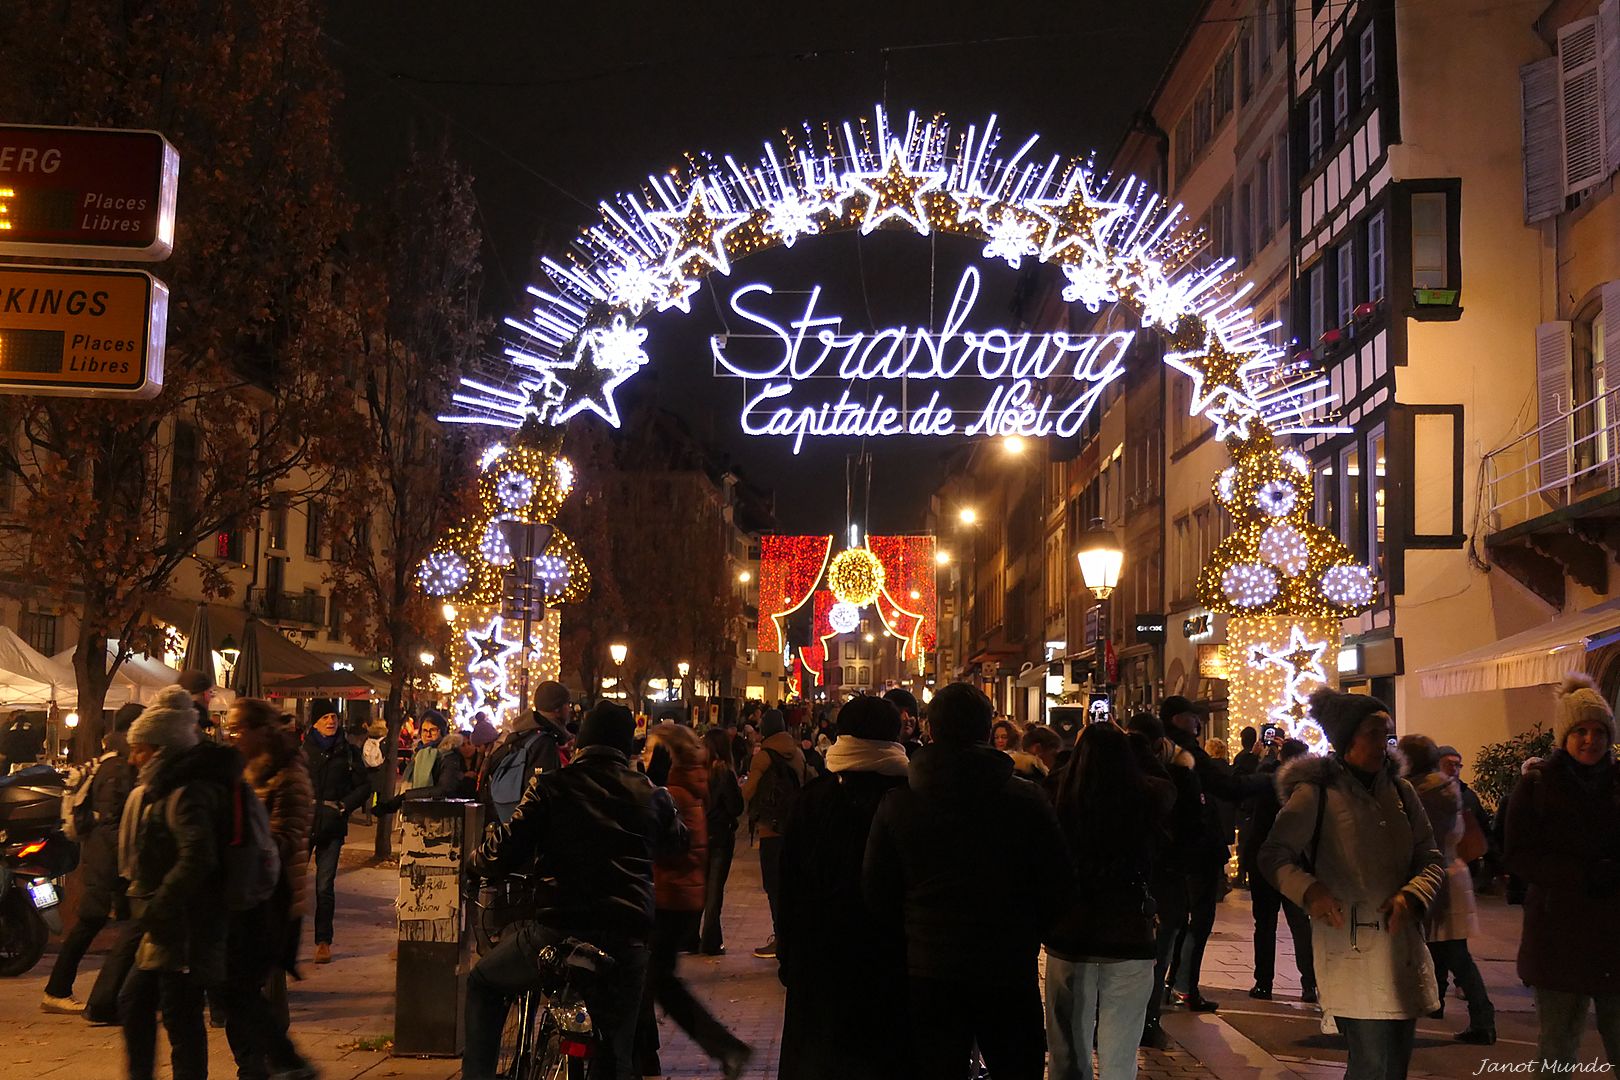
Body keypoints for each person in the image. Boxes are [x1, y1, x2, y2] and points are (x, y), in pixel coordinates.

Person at [463, 702, 685, 1080]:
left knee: (482, 982)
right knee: (617, 1053)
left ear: (581, 743)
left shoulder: (552, 786)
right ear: (624, 745)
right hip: (625, 937)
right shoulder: (650, 794)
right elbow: (677, 847)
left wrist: (475, 862)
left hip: (559, 930)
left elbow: (503, 849)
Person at [864, 682, 1076, 1079]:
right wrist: (1030, 931)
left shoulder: (900, 802)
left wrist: (914, 933)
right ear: (985, 730)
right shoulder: (1025, 799)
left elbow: (877, 890)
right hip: (1007, 966)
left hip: (931, 969)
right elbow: (1058, 880)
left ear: (932, 730)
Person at [1260, 689, 1444, 1080]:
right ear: (1348, 740)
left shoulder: (1402, 792)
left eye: (1388, 734)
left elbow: (1430, 856)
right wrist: (1310, 891)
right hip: (1351, 942)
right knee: (1370, 1063)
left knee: (1395, 1065)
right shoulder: (1316, 794)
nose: (1384, 743)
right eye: (1374, 734)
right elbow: (1274, 854)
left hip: (1401, 948)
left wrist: (1414, 894)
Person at [777, 696, 911, 1080]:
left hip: (821, 963)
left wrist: (789, 955)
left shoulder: (813, 801)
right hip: (891, 961)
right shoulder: (912, 799)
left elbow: (790, 888)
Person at [118, 685, 237, 1080]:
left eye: (141, 748)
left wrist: (160, 904)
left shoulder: (186, 791)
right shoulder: (166, 787)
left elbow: (197, 856)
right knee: (139, 1004)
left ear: (162, 748)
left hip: (185, 925)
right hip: (169, 924)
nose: (134, 757)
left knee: (179, 1018)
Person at [1046, 721, 1176, 1080]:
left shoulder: (1057, 794)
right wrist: (1136, 748)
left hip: (1069, 933)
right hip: (1129, 933)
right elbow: (1169, 789)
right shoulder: (1146, 796)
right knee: (1120, 1053)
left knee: (1067, 1052)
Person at [1505, 673, 1620, 1072]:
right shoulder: (1538, 785)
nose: (1590, 740)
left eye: (1598, 731)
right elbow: (1518, 854)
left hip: (1614, 935)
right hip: (1558, 934)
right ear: (1564, 735)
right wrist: (1580, 876)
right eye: (1580, 731)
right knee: (1557, 1046)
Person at [633, 723, 751, 1078]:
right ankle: (648, 1058)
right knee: (654, 983)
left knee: (651, 982)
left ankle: (724, 1049)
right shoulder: (686, 787)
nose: (645, 756)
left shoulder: (674, 793)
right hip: (677, 897)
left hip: (668, 898)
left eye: (652, 750)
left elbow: (668, 846)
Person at [220, 698, 316, 1080]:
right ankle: (266, 1065)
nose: (234, 737)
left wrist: (240, 847)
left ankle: (274, 1065)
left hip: (274, 900)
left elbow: (288, 837)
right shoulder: (246, 771)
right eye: (231, 730)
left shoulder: (289, 775)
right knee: (238, 990)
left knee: (246, 990)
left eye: (240, 728)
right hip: (247, 894)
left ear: (262, 730)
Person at [41, 701, 139, 1013]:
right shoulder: (117, 767)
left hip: (105, 858)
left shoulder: (110, 761)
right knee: (93, 924)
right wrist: (126, 861)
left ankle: (116, 994)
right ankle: (58, 990)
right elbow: (112, 820)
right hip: (108, 861)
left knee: (119, 926)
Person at [1398, 733, 1495, 1044]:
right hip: (1452, 874)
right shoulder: (1447, 788)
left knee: (1454, 954)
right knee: (1445, 949)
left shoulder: (1418, 792)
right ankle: (1438, 1006)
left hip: (1437, 877)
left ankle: (1483, 1019)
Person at [1126, 711, 1201, 1047]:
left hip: (1150, 876)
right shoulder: (1178, 774)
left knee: (1151, 951)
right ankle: (1147, 1019)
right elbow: (1192, 827)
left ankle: (1144, 1017)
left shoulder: (1121, 772)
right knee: (1157, 952)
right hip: (1161, 876)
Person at [1242, 738, 1316, 1003]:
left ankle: (1263, 983)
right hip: (1295, 864)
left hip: (1264, 860)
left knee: (1265, 925)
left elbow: (1246, 803)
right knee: (1300, 924)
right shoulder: (1309, 788)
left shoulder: (1268, 781)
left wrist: (1262, 758)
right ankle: (1310, 983)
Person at [303, 710, 370, 964]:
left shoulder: (348, 752)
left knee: (324, 886)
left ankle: (323, 942)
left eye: (334, 716)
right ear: (315, 723)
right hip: (303, 825)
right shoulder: (303, 751)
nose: (331, 721)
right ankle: (284, 942)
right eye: (325, 717)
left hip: (331, 827)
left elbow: (364, 786)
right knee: (293, 886)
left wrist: (343, 806)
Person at [741, 707, 809, 960]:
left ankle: (780, 938)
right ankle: (792, 935)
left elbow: (748, 793)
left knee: (773, 885)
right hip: (794, 827)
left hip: (770, 828)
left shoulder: (763, 756)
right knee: (791, 884)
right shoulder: (798, 753)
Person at [481, 681, 571, 824]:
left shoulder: (520, 735)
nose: (570, 710)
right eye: (568, 704)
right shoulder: (544, 742)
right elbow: (543, 793)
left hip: (507, 817)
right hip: (532, 827)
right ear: (557, 708)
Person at [698, 726, 744, 955]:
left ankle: (690, 937)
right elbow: (736, 807)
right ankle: (711, 940)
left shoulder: (698, 771)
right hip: (720, 835)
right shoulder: (724, 773)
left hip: (700, 833)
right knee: (715, 891)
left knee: (701, 888)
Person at [883, 687, 923, 758]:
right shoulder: (878, 753)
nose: (906, 718)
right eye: (899, 712)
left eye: (910, 713)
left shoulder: (923, 754)